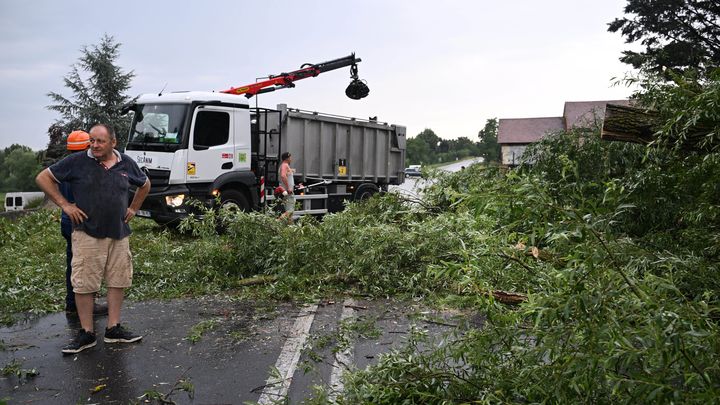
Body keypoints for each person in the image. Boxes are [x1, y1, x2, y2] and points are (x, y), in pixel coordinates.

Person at [36, 123, 151, 354]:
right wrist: (65, 205)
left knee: (118, 280)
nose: (95, 145)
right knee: (84, 284)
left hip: (119, 233)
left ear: (113, 142)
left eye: (100, 141)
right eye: (92, 141)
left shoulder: (126, 162)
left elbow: (145, 184)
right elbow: (43, 178)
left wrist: (134, 208)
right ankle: (87, 333)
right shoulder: (77, 162)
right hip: (87, 233)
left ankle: (113, 328)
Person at [61, 130, 108, 316]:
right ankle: (85, 307)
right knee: (86, 265)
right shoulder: (85, 169)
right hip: (82, 222)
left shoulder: (65, 166)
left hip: (67, 221)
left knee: (73, 263)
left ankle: (72, 304)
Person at [278, 152, 295, 222]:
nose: (291, 159)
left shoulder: (284, 165)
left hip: (286, 191)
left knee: (289, 213)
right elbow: (283, 176)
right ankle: (276, 222)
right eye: (290, 157)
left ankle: (290, 230)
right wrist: (289, 188)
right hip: (287, 191)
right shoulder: (285, 165)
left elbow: (287, 177)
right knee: (290, 211)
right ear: (287, 158)